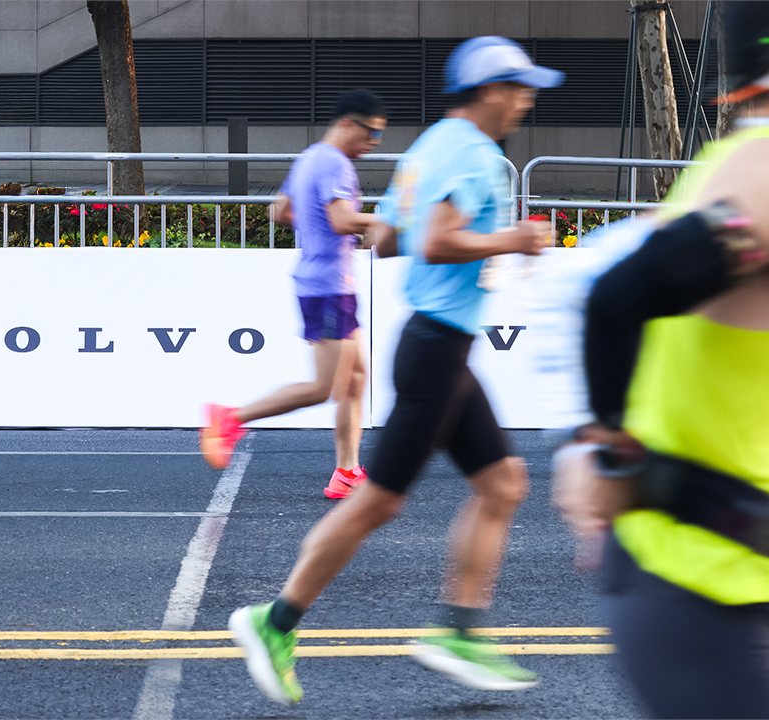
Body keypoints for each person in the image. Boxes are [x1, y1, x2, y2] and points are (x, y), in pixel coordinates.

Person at [551, 3, 769, 718]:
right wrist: (602, 447)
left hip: (715, 580)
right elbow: (621, 294)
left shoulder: (759, 169)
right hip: (695, 587)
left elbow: (615, 280)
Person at [228, 36, 560, 705]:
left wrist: (454, 238)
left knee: (502, 483)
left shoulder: (431, 146)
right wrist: (515, 238)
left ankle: (459, 630)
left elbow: (387, 240)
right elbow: (436, 242)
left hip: (441, 348)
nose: (526, 101)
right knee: (379, 500)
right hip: (436, 350)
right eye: (518, 87)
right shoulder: (472, 154)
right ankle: (275, 621)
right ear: (488, 90)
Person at [200, 90, 387, 499]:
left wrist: (324, 229)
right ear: (348, 124)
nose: (374, 142)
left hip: (323, 283)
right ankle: (229, 418)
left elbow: (280, 211)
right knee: (324, 387)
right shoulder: (336, 163)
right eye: (371, 132)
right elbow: (342, 220)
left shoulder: (310, 157)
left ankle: (347, 471)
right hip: (329, 288)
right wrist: (384, 222)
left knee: (357, 377)